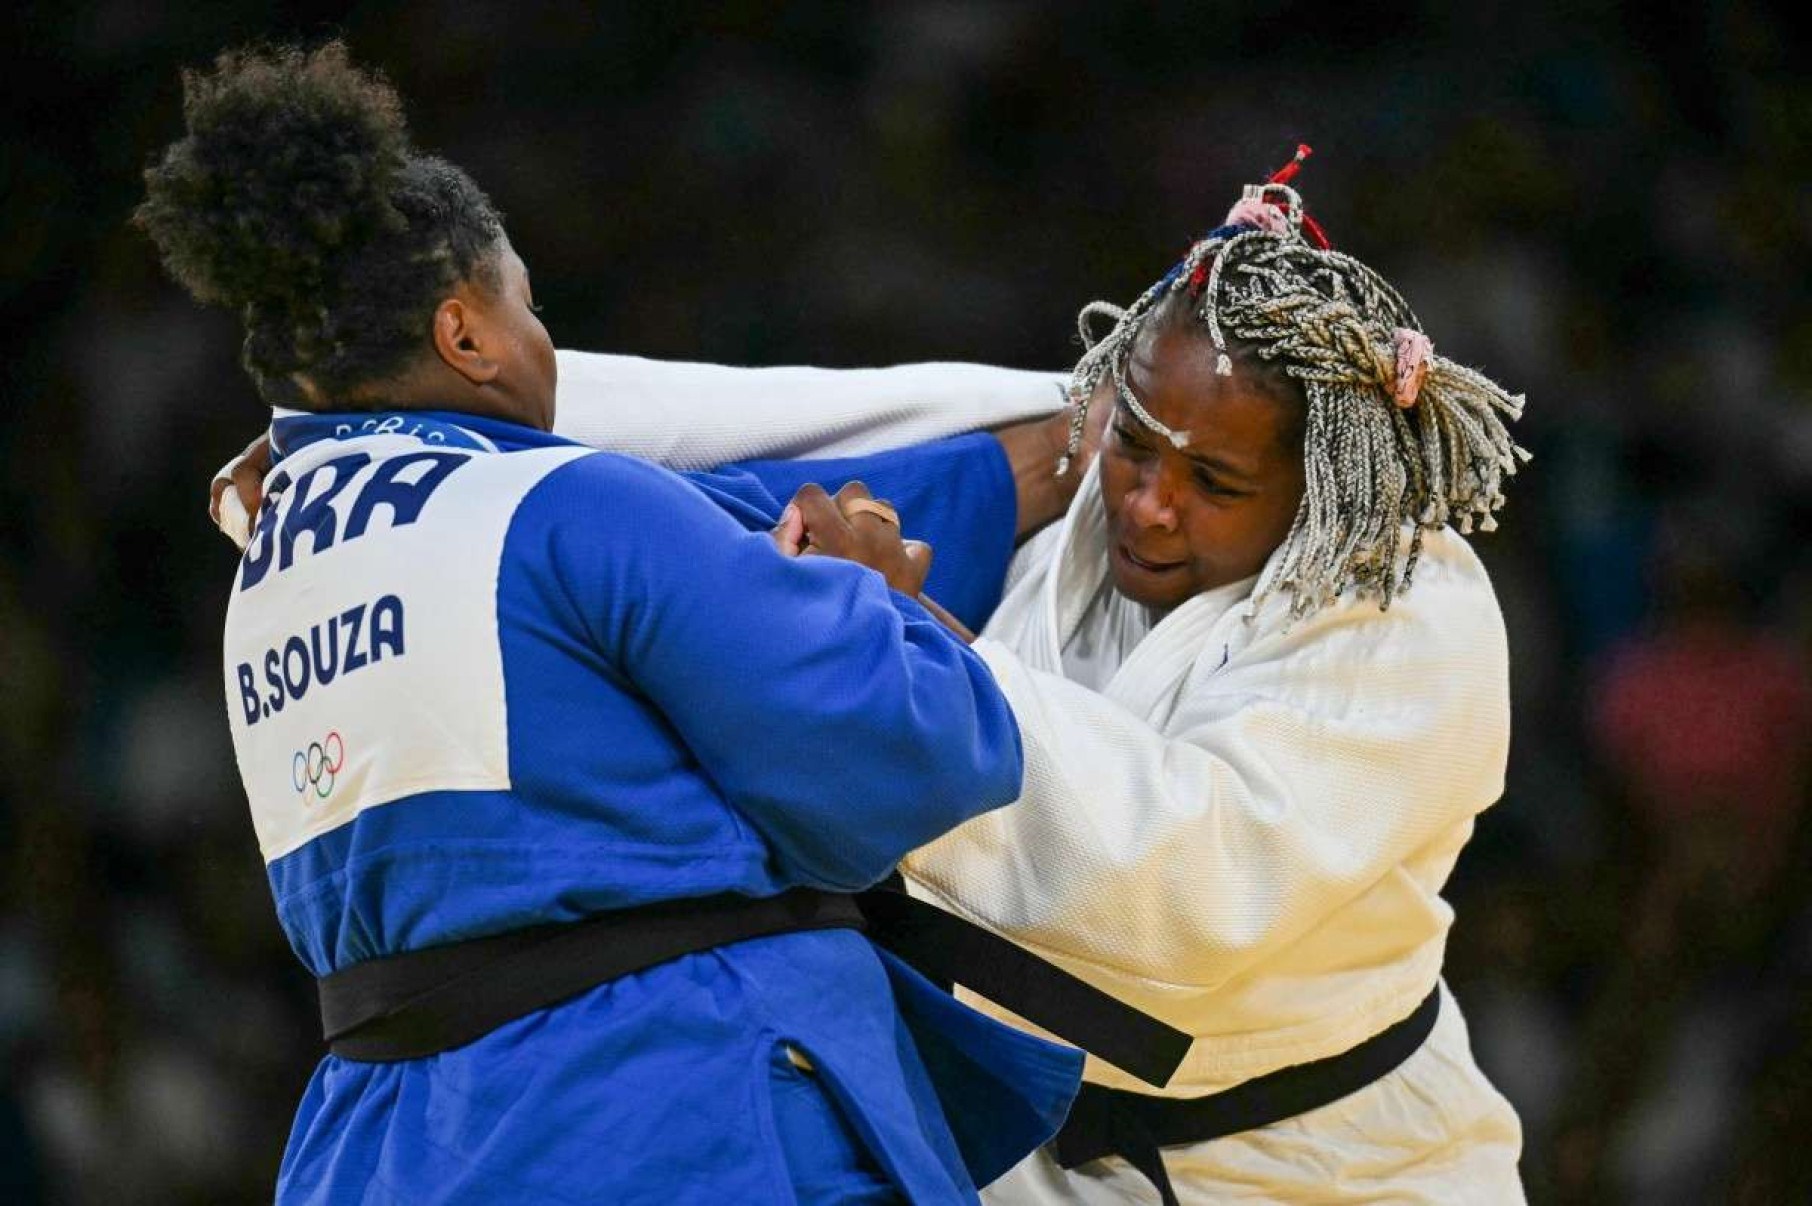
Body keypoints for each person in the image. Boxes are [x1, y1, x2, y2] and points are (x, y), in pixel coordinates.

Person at [212, 156, 1533, 1199]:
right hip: (1036, 1164)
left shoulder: (1407, 610)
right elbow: (764, 420)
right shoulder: (1084, 485)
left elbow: (1195, 889)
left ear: (1323, 487)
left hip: (1340, 1166)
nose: (1149, 503)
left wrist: (907, 645)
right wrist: (365, 442)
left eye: (1213, 483)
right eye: (1131, 445)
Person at [146, 42, 1087, 1204]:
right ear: (465, 336)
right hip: (675, 1111)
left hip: (395, 1146)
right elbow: (902, 765)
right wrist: (887, 612)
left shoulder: (268, 566)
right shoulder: (566, 503)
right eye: (529, 305)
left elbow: (716, 531)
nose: (547, 347)